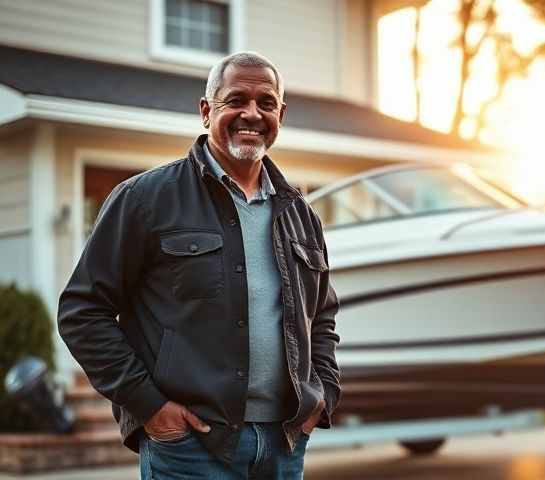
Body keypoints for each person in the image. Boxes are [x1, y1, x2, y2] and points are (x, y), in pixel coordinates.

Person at [57, 51, 340, 479]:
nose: (252, 113)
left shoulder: (301, 213)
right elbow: (83, 311)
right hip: (190, 449)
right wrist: (150, 406)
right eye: (236, 100)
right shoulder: (145, 199)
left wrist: (321, 396)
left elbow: (320, 317)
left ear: (281, 114)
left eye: (266, 103)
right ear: (206, 111)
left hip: (283, 446)